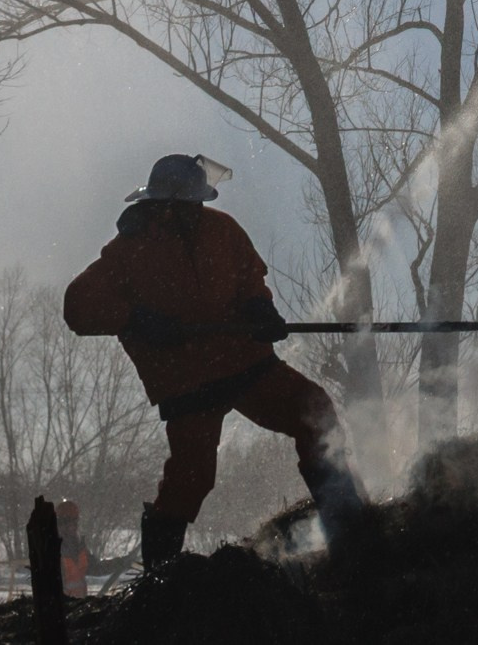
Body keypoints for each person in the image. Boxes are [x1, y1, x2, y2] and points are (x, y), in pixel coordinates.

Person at [63, 153, 365, 569]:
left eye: (198, 203)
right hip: (186, 381)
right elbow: (78, 307)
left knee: (314, 411)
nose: (197, 211)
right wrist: (136, 318)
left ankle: (352, 536)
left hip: (243, 362)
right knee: (192, 479)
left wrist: (260, 309)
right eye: (190, 205)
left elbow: (251, 280)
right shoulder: (129, 250)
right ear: (164, 205)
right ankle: (161, 576)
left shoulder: (222, 230)